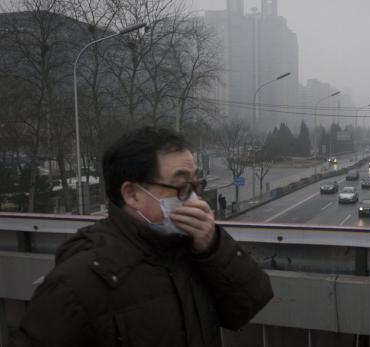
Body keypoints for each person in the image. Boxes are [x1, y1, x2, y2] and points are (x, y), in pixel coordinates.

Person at [14, 127, 273, 346]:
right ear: (133, 194)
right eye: (181, 187)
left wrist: (212, 245)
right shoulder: (76, 282)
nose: (195, 200)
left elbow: (248, 304)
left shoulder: (192, 250)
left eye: (196, 185)